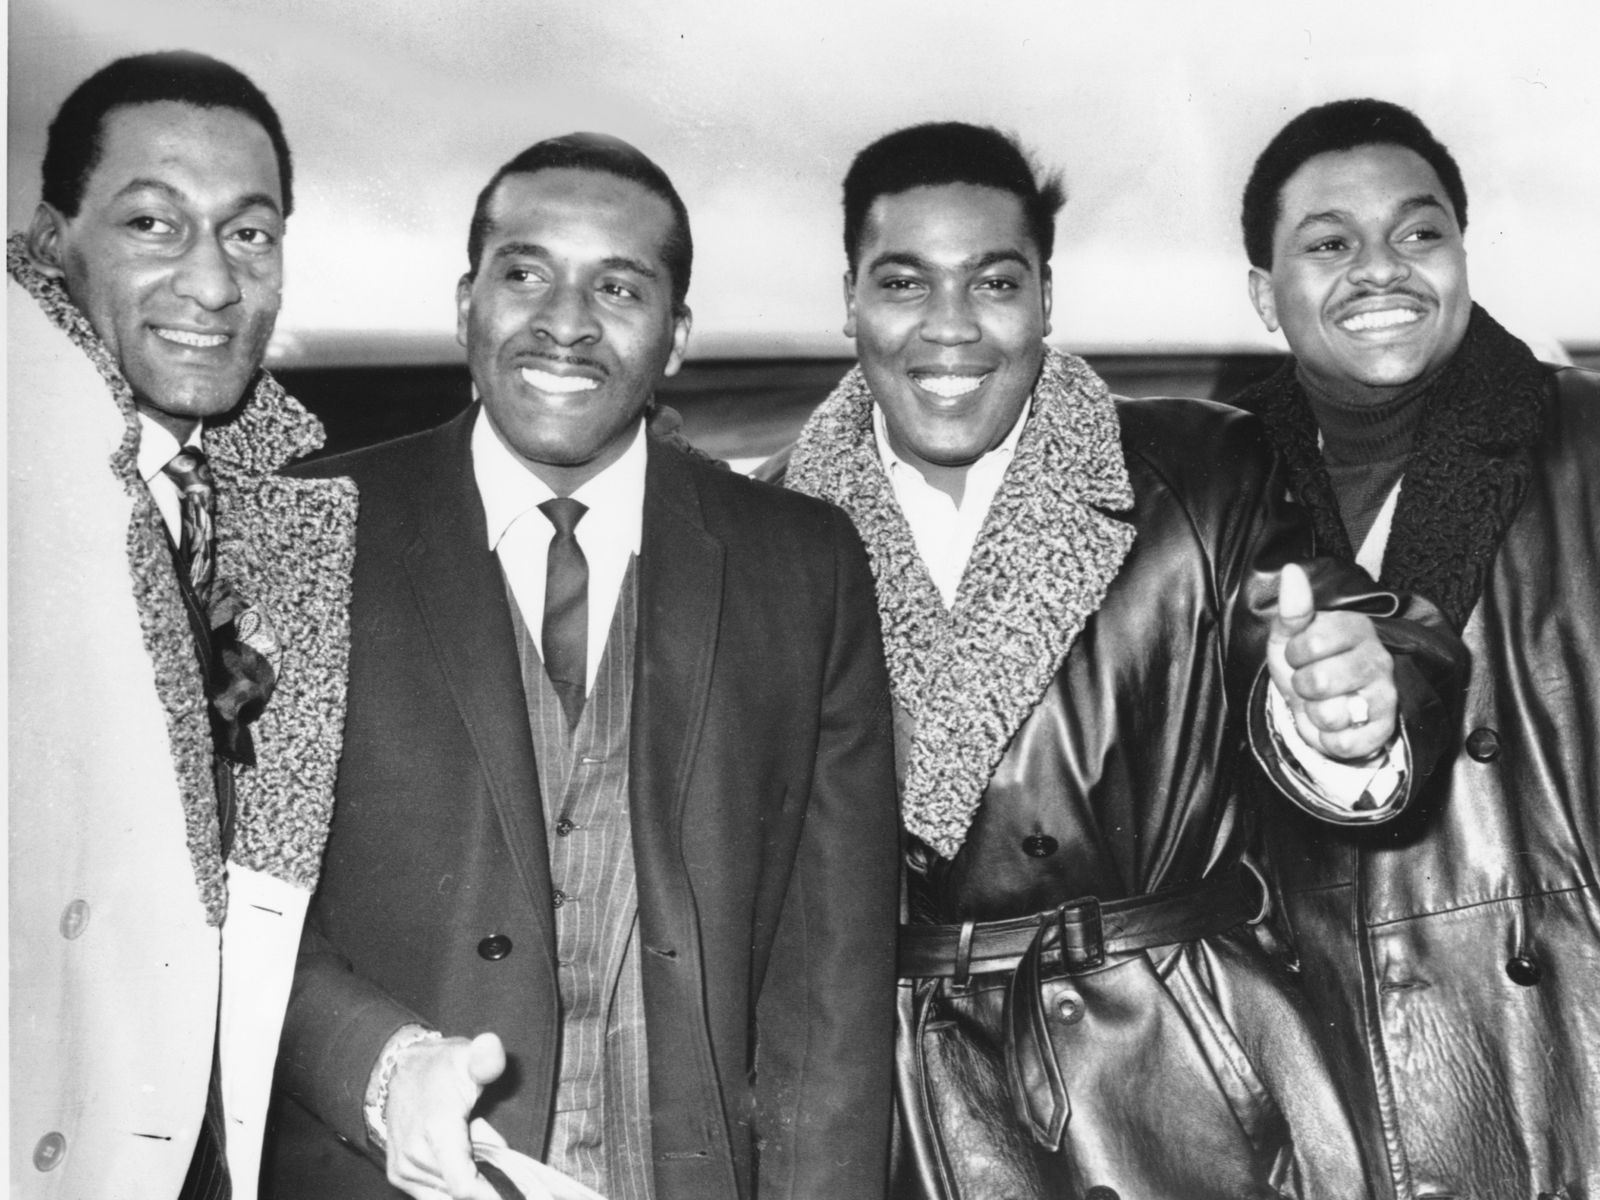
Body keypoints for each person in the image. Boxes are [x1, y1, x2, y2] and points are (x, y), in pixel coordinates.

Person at [771, 121, 1465, 1199]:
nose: (949, 329)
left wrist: (1350, 706)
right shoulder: (764, 528)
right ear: (849, 299)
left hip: (1177, 1078)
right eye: (904, 284)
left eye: (994, 283)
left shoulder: (1200, 467)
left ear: (1046, 299)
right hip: (897, 1105)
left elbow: (1337, 620)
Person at [264, 133, 900, 1200]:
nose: (564, 321)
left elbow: (831, 979)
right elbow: (234, 916)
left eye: (618, 286)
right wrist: (382, 1072)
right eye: (524, 274)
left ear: (678, 336)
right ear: (466, 302)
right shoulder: (306, 525)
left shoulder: (804, 562)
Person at [1234, 98, 1600, 1200]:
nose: (1381, 270)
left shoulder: (1587, 443)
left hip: (1567, 1064)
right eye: (1329, 243)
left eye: (1418, 232)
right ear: (1264, 293)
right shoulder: (1210, 495)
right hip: (1325, 1095)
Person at [8, 51, 357, 1200]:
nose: (211, 283)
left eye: (249, 235)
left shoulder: (255, 504)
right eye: (154, 222)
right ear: (54, 238)